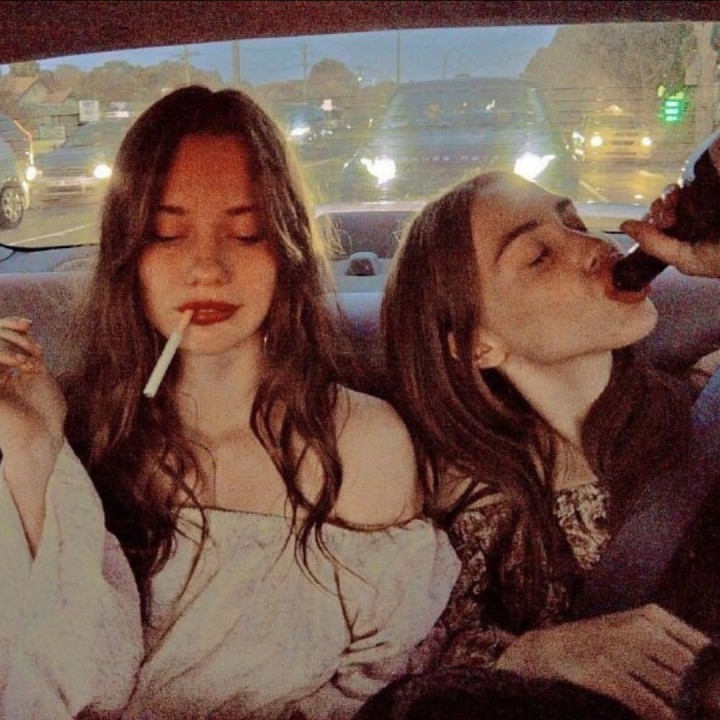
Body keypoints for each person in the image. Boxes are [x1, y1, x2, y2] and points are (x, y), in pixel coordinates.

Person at [0, 85, 459, 720]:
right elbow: (55, 680)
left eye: (247, 233)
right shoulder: (79, 433)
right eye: (167, 234)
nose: (208, 267)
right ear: (127, 256)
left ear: (287, 249)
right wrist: (35, 452)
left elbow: (378, 688)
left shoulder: (361, 445)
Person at [379, 169, 713, 720]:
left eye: (574, 222)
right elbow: (408, 681)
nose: (592, 246)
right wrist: (530, 656)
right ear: (477, 344)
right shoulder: (468, 510)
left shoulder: (707, 407)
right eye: (538, 256)